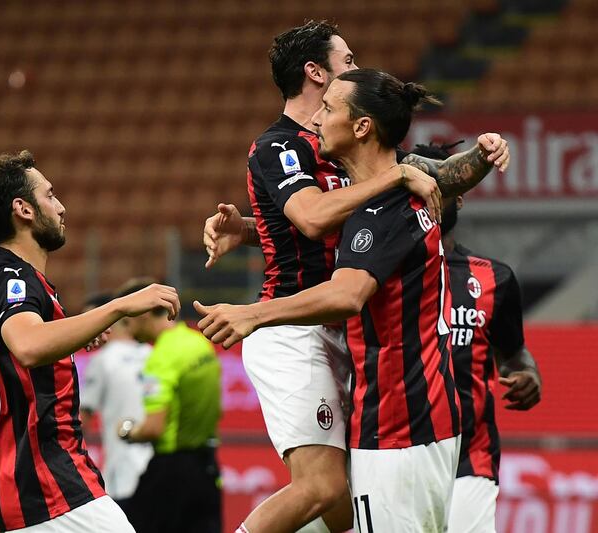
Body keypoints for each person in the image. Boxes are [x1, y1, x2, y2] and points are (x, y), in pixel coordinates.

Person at [200, 20, 510, 533]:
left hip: (354, 329)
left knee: (343, 508)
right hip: (293, 326)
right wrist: (395, 175)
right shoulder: (283, 146)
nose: (357, 67)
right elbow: (315, 218)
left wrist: (484, 154)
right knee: (322, 488)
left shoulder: (363, 156)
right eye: (348, 61)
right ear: (315, 73)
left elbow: (432, 185)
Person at [0, 150, 181, 532]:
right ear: (23, 209)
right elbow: (27, 347)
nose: (61, 208)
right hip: (54, 487)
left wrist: (64, 338)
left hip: (19, 493)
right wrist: (119, 307)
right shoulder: (14, 280)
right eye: (50, 195)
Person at [410, 144, 542, 533]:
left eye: (439, 185)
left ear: (460, 195)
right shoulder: (373, 276)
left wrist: (528, 376)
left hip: (471, 459)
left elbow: (514, 354)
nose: (429, 195)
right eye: (417, 190)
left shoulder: (494, 278)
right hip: (396, 454)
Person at [114, 278, 222, 533]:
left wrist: (127, 431)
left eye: (128, 321)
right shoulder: (199, 344)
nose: (128, 331)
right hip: (206, 467)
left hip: (171, 472)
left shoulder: (161, 359)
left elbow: (154, 428)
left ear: (145, 314)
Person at [79, 292, 154, 513]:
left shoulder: (102, 361)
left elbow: (80, 422)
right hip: (158, 469)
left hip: (123, 472)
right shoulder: (153, 354)